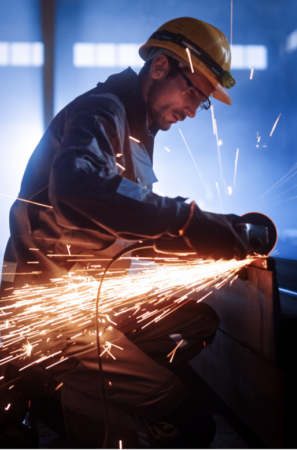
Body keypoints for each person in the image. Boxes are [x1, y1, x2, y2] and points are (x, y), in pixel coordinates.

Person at [0, 17, 247, 450]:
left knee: (196, 324)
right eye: (193, 91)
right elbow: (79, 187)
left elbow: (121, 218)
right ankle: (46, 388)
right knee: (194, 427)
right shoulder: (103, 110)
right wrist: (187, 221)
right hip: (55, 316)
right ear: (160, 67)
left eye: (202, 102)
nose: (193, 110)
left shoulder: (135, 128)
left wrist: (210, 234)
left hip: (91, 300)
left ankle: (63, 394)